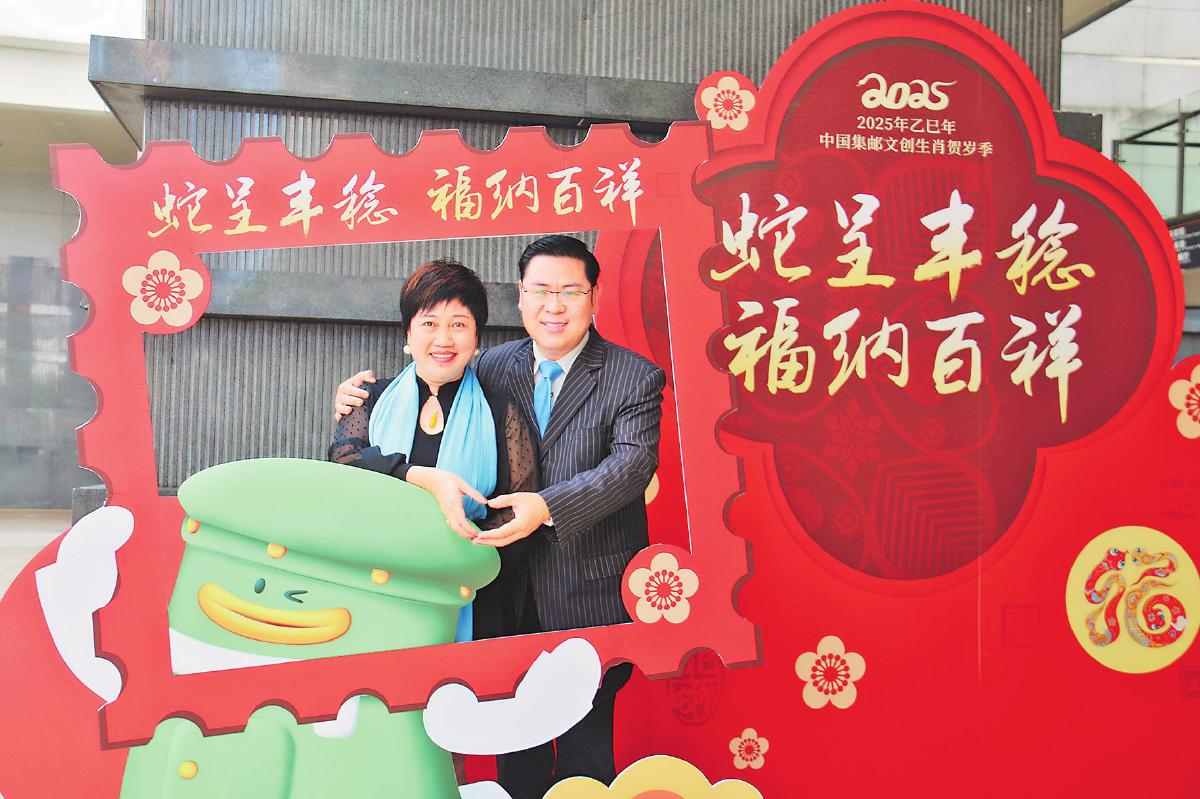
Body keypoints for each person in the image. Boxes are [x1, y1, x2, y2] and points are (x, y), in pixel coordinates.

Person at [334, 235, 665, 796]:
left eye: (569, 291)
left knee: (586, 751)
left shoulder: (634, 376)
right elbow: (428, 394)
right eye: (541, 290)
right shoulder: (490, 363)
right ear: (521, 295)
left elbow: (630, 467)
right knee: (517, 748)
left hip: (585, 588)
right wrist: (351, 401)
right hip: (500, 594)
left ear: (593, 296)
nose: (554, 305)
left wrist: (548, 506)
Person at [328, 258, 538, 643]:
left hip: (469, 596)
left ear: (476, 337)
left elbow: (516, 507)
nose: (443, 339)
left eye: (458, 324)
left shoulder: (501, 412)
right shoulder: (367, 398)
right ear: (408, 333)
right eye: (429, 323)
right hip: (372, 584)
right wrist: (422, 477)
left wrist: (454, 558)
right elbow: (345, 462)